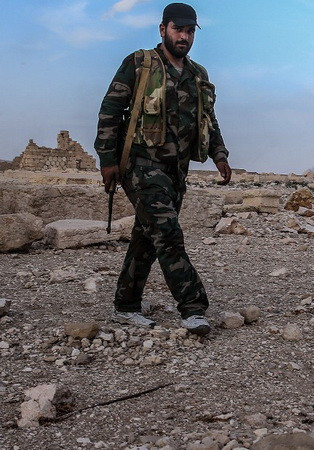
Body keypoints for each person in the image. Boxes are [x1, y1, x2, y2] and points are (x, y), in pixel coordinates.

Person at [94, 3, 231, 336]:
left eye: (189, 31)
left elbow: (208, 119)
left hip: (177, 170)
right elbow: (110, 110)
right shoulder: (140, 63)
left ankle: (125, 306)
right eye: (177, 29)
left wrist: (220, 154)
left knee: (147, 237)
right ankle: (193, 308)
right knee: (168, 234)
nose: (184, 37)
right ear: (163, 29)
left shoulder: (197, 74)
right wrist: (107, 160)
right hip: (140, 164)